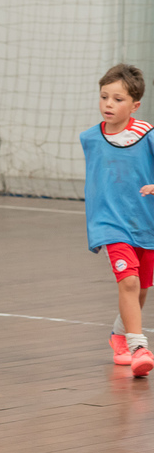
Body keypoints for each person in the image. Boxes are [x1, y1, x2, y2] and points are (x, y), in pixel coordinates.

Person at [81, 63, 154, 377]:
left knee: (140, 289)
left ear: (135, 105)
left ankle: (118, 334)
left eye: (118, 99)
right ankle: (139, 346)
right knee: (128, 281)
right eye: (104, 97)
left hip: (145, 223)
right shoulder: (90, 139)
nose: (108, 104)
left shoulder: (147, 134)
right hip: (110, 224)